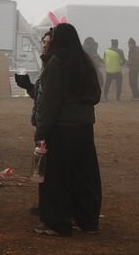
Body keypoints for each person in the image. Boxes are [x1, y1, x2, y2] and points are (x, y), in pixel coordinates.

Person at [33, 22, 102, 236]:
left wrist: (41, 131)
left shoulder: (56, 62)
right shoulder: (85, 61)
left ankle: (57, 222)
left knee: (56, 178)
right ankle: (87, 220)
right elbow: (96, 95)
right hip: (84, 128)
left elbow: (50, 101)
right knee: (85, 176)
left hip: (61, 128)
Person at [15, 28, 53, 214]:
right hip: (42, 123)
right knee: (44, 168)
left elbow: (48, 101)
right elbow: (40, 97)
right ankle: (45, 203)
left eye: (47, 43)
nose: (43, 45)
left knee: (50, 168)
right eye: (43, 42)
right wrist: (29, 86)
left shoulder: (56, 67)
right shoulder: (48, 66)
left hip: (50, 126)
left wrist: (43, 128)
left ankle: (50, 206)